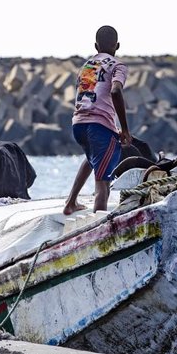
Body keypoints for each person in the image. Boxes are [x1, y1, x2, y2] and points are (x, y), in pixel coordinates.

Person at [63, 25, 130, 215]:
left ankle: (71, 202)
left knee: (91, 158)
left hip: (78, 125)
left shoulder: (86, 66)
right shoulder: (118, 65)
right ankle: (99, 227)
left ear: (95, 46)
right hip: (98, 127)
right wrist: (124, 129)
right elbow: (115, 91)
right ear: (117, 46)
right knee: (103, 185)